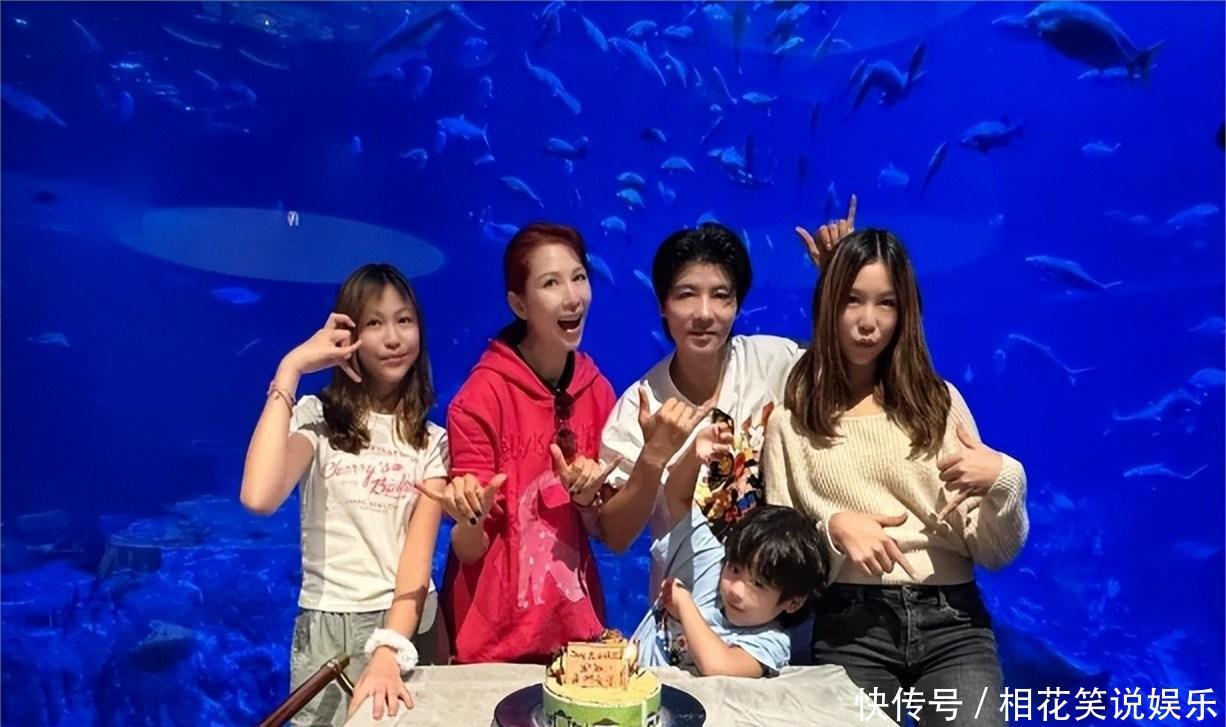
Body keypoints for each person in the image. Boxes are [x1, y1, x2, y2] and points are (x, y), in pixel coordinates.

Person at [761, 228, 1029, 726]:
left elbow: (994, 553)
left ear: (906, 312)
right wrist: (831, 529)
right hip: (850, 626)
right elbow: (780, 560)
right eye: (852, 300)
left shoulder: (939, 404)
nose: (869, 322)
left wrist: (1006, 479)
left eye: (886, 303)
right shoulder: (791, 422)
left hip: (953, 622)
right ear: (828, 305)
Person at [598, 205, 854, 602]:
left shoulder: (773, 362)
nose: (704, 314)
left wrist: (838, 279)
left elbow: (851, 369)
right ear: (663, 304)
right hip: (688, 613)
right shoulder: (640, 404)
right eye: (686, 295)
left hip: (783, 607)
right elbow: (615, 537)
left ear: (737, 305)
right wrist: (653, 457)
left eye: (721, 296)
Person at [240, 263, 449, 725]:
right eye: (374, 322)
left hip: (407, 626)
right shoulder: (316, 419)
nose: (392, 338)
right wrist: (291, 368)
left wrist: (389, 649)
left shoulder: (433, 441)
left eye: (404, 320)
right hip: (327, 626)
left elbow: (416, 563)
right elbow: (258, 496)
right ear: (349, 334)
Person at [438, 222, 618, 664]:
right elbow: (469, 548)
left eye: (578, 277)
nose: (572, 297)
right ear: (518, 304)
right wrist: (470, 513)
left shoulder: (598, 392)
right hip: (492, 641)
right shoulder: (479, 399)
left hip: (576, 632)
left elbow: (607, 532)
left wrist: (590, 499)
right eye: (550, 283)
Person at [629, 417, 827, 677]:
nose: (735, 590)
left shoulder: (770, 642)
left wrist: (685, 605)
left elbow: (718, 667)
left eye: (758, 584)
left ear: (792, 602)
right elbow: (676, 498)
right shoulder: (710, 567)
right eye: (734, 569)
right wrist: (694, 455)